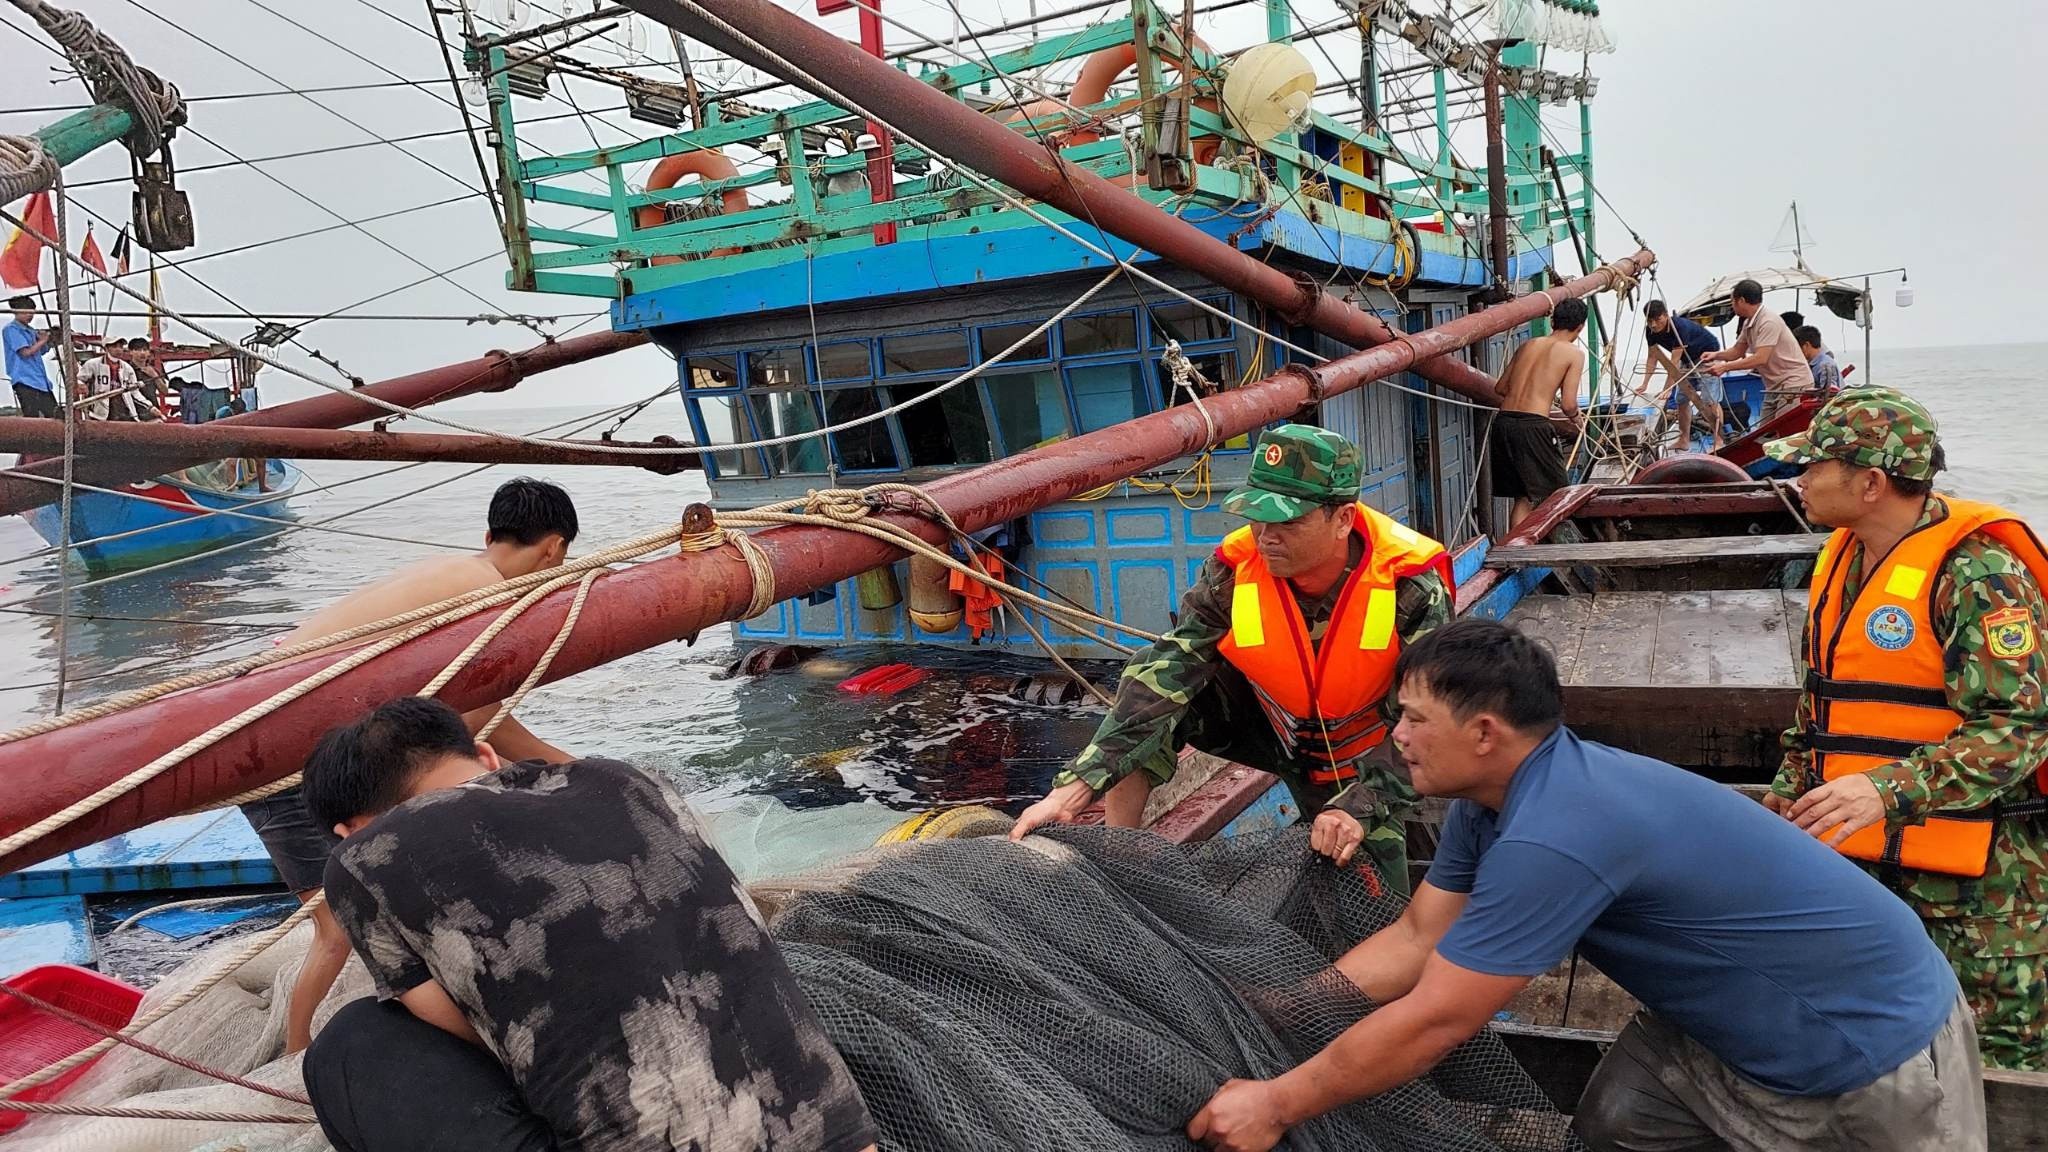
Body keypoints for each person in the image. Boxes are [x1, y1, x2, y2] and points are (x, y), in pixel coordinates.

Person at [1185, 617, 1985, 1152]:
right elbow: (1416, 939)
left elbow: (1437, 1020)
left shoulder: (1557, 832)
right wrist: (1290, 1010)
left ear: (1485, 732)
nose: (1396, 738)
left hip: (1870, 1042)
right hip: (1711, 1030)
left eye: (1412, 719)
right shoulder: (1490, 797)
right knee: (1615, 1125)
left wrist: (1277, 1103)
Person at [299, 697, 881, 1152]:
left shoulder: (365, 858)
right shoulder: (629, 779)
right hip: (839, 1134)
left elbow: (466, 1029)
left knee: (350, 1042)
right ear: (486, 757)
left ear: (352, 830)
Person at [1009, 424, 1453, 895]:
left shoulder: (1411, 588)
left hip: (1363, 756)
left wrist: (1358, 807)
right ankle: (1123, 858)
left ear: (1342, 519)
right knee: (1152, 674)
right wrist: (1074, 788)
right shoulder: (1233, 569)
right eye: (1257, 517)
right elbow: (1172, 665)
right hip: (1272, 728)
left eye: (1287, 522)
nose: (1265, 537)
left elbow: (1435, 725)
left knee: (1374, 906)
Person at [243, 477, 583, 1055]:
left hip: (262, 727)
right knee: (333, 934)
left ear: (489, 534)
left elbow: (472, 723)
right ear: (553, 549)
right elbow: (478, 728)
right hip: (277, 753)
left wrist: (570, 765)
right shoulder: (489, 596)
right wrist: (579, 775)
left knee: (359, 919)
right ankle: (295, 1058)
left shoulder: (454, 574)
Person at [1763, 387, 2048, 1069]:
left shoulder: (1980, 573)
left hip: (1979, 886)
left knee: (1995, 1069)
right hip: (1862, 865)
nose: (1797, 479)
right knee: (1873, 1056)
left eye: (1813, 466)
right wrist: (1790, 782)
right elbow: (1825, 695)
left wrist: (1888, 790)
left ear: (1870, 482)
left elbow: (2020, 726)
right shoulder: (1840, 556)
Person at [1489, 296, 1587, 528]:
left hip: (1503, 423)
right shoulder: (1573, 354)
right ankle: (1553, 549)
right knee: (1560, 492)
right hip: (1532, 426)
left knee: (1523, 496)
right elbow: (1569, 404)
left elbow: (1500, 388)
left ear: (1553, 321)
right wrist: (1577, 419)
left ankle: (1516, 552)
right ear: (1580, 327)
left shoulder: (1528, 345)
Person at [1699, 278, 1810, 418]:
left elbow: (1761, 358)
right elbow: (1736, 352)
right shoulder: (1748, 323)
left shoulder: (1768, 322)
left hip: (1793, 384)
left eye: (1733, 302)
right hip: (1774, 387)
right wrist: (1715, 355)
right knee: (1764, 433)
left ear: (1741, 301)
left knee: (1782, 432)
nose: (1732, 306)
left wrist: (1725, 368)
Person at [1640, 299, 1724, 450]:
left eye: (1657, 320)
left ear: (1666, 316)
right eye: (1649, 321)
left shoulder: (1679, 327)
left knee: (1710, 399)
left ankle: (1719, 440)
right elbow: (1652, 356)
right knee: (1681, 399)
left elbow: (1673, 363)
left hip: (1707, 354)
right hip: (1687, 358)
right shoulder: (1650, 330)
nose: (1653, 325)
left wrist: (1667, 389)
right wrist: (1645, 383)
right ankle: (1683, 439)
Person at [4, 296, 58, 419]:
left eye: (32, 312)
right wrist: (43, 340)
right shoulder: (11, 330)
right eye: (27, 312)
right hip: (25, 381)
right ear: (16, 311)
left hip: (41, 381)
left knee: (54, 415)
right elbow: (25, 352)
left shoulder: (32, 331)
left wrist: (50, 341)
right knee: (32, 417)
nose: (30, 315)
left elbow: (40, 351)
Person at [1797, 325, 1841, 394]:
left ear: (1806, 345)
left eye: (1797, 348)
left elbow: (1829, 394)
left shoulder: (1825, 365)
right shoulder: (1812, 363)